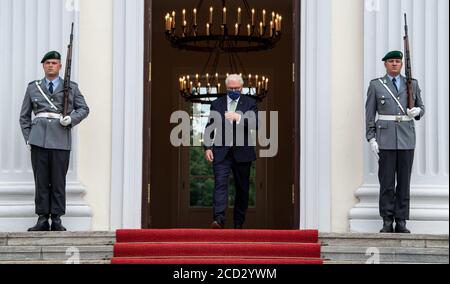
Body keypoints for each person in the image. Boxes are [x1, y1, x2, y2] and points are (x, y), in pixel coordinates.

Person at [19, 51, 90, 231]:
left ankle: (57, 218)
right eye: (48, 63)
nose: (51, 65)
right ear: (43, 66)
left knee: (58, 180)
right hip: (39, 140)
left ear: (60, 66)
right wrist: (29, 138)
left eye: (54, 63)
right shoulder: (33, 87)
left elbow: (84, 108)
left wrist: (72, 119)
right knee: (41, 179)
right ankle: (42, 218)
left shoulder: (71, 87)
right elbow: (24, 117)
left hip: (60, 138)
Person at [365, 50, 425, 234]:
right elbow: (369, 113)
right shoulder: (376, 85)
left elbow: (421, 107)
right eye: (391, 61)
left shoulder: (411, 84)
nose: (394, 64)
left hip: (406, 139)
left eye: (397, 61)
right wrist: (371, 137)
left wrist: (418, 112)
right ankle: (386, 219)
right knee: (387, 182)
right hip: (385, 139)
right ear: (385, 64)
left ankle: (401, 220)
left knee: (404, 183)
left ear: (401, 64)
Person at [203, 74, 258, 229]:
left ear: (242, 88)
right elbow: (210, 127)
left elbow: (256, 123)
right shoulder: (217, 104)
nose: (234, 90)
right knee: (220, 184)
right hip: (222, 152)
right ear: (226, 88)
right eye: (231, 88)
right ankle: (218, 219)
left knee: (242, 188)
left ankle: (238, 222)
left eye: (237, 88)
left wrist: (238, 118)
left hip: (243, 153)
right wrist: (207, 147)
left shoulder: (250, 103)